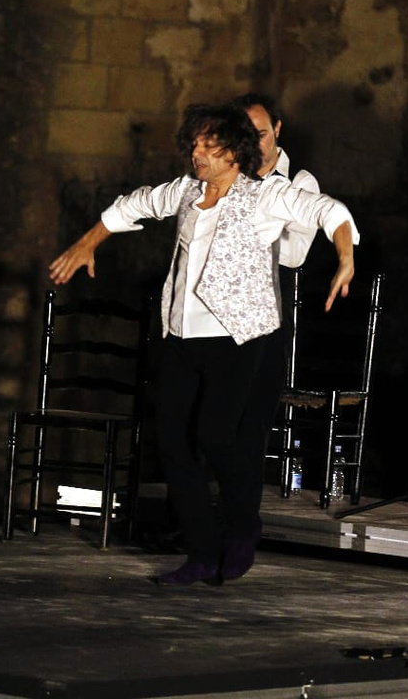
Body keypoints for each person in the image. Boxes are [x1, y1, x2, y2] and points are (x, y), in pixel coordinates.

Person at [49, 103, 359, 585]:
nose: (195, 151)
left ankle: (241, 530)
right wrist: (90, 241)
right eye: (193, 143)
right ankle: (200, 552)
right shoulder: (187, 191)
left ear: (233, 151)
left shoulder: (266, 195)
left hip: (238, 337)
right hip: (181, 336)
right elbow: (134, 204)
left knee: (217, 437)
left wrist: (345, 257)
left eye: (206, 144)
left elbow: (327, 211)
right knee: (173, 446)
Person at [229, 92, 321, 508]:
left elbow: (295, 254)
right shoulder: (226, 178)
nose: (255, 143)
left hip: (265, 322)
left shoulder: (300, 184)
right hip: (216, 317)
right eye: (246, 135)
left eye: (262, 134)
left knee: (249, 426)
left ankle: (237, 523)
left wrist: (248, 227)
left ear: (277, 131)